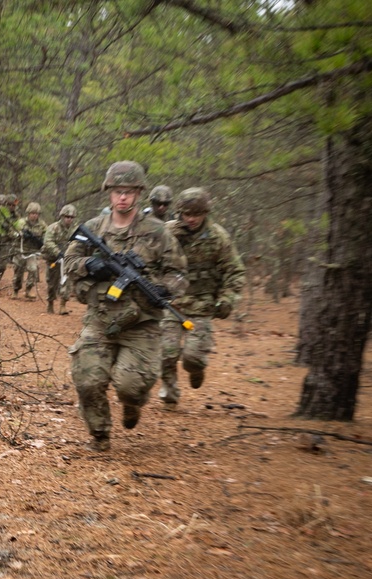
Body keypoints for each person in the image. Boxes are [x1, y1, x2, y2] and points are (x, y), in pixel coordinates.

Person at [63, 162, 187, 452]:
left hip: (141, 324)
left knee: (130, 387)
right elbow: (68, 263)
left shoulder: (157, 232)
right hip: (100, 320)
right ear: (109, 192)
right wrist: (90, 265)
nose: (123, 198)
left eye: (129, 192)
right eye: (118, 192)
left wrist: (164, 288)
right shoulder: (92, 229)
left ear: (138, 194)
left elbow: (179, 274)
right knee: (87, 378)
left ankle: (133, 403)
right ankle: (100, 434)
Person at [159, 187, 245, 405]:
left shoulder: (218, 237)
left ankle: (197, 368)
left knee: (192, 357)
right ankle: (169, 395)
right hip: (172, 304)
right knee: (167, 353)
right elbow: (150, 262)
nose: (191, 219)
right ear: (179, 212)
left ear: (206, 213)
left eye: (196, 214)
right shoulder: (167, 233)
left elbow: (235, 271)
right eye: (187, 214)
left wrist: (227, 299)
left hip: (202, 306)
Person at [41, 204, 78, 315]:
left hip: (67, 260)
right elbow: (48, 242)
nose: (69, 219)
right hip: (54, 259)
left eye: (71, 217)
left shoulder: (75, 230)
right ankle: (50, 303)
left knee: (67, 281)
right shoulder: (53, 228)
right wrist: (58, 252)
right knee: (52, 283)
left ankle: (63, 305)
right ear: (62, 216)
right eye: (67, 217)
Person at [11, 201, 46, 299]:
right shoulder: (21, 222)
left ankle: (28, 290)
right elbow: (12, 232)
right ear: (28, 213)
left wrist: (40, 242)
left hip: (33, 251)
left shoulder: (42, 225)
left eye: (36, 214)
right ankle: (15, 290)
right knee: (18, 271)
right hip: (21, 250)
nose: (34, 216)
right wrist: (19, 235)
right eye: (32, 213)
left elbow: (46, 237)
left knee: (33, 269)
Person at [0, 194, 19, 291]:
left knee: (2, 266)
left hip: (6, 243)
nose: (11, 207)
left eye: (13, 205)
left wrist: (13, 234)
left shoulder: (16, 216)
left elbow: (17, 228)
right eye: (9, 205)